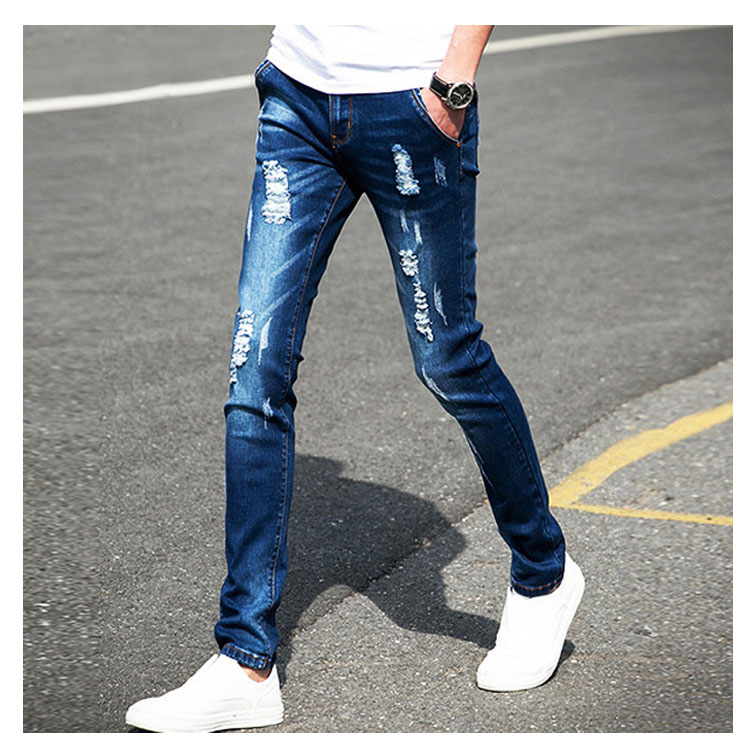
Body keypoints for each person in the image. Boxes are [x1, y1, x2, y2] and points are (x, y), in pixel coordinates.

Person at [126, 25, 585, 733]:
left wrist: (454, 84)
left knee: (448, 360)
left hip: (413, 100)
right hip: (298, 98)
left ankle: (543, 574)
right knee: (254, 372)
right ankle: (245, 662)